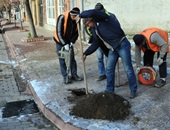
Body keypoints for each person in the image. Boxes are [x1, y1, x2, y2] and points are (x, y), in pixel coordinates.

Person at [76, 8, 138, 98]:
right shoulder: (95, 30)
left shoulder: (104, 18)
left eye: (88, 24)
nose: (88, 26)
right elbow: (96, 43)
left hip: (122, 44)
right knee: (109, 68)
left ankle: (133, 89)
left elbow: (93, 12)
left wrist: (80, 15)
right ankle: (109, 89)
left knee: (128, 68)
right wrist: (86, 53)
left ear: (91, 20)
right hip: (113, 48)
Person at [53, 7, 82, 84]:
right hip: (60, 41)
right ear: (71, 14)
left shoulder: (77, 19)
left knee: (71, 58)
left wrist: (72, 41)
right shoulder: (62, 17)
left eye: (76, 17)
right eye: (73, 17)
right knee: (62, 59)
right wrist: (64, 44)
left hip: (69, 41)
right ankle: (65, 77)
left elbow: (77, 32)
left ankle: (74, 74)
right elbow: (59, 32)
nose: (74, 18)